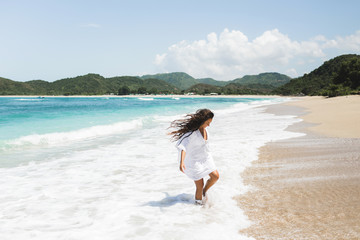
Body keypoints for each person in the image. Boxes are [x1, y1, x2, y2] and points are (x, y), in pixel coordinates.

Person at [169, 109, 219, 205]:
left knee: (215, 176)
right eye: (207, 122)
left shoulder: (205, 130)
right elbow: (183, 147)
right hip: (194, 161)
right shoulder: (191, 133)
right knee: (199, 185)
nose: (209, 125)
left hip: (205, 157)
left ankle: (204, 191)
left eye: (210, 123)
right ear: (202, 121)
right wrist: (181, 162)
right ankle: (198, 205)